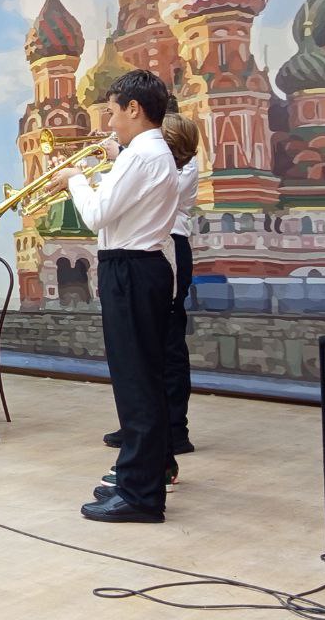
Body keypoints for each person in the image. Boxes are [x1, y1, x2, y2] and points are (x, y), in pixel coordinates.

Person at [44, 70, 178, 523]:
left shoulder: (142, 155)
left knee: (136, 382)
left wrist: (74, 179)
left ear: (134, 109)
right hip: (138, 267)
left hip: (132, 269)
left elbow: (98, 214)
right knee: (140, 379)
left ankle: (140, 495)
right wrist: (105, 163)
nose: (109, 122)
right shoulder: (145, 152)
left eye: (113, 112)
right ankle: (138, 476)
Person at [102, 110, 199, 455]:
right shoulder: (151, 159)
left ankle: (174, 428)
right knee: (142, 345)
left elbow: (155, 190)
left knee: (168, 343)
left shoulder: (176, 164)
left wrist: (122, 157)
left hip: (168, 246)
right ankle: (142, 424)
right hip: (149, 247)